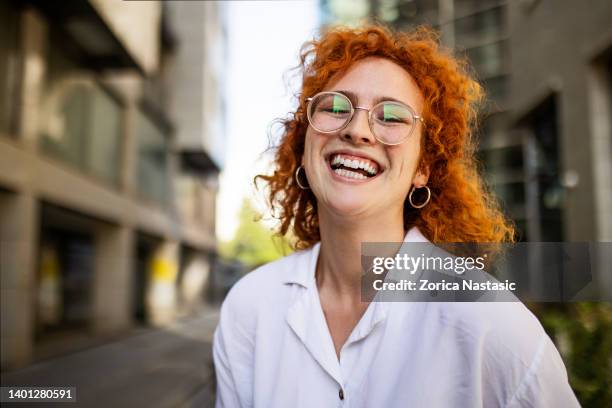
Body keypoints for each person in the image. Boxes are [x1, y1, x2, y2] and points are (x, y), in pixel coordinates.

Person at [213, 24, 580, 407]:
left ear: (422, 168)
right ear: (304, 143)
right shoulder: (250, 307)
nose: (357, 130)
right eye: (336, 107)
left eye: (391, 117)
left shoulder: (491, 324)